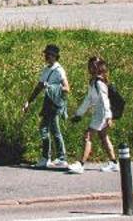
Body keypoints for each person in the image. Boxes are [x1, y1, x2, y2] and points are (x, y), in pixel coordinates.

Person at [21, 42, 83, 172]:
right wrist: (28, 101)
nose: (45, 57)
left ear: (54, 56)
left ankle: (61, 157)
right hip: (47, 102)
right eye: (45, 54)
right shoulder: (46, 70)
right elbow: (38, 87)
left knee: (54, 130)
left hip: (55, 104)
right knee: (44, 129)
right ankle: (45, 158)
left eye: (48, 55)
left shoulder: (59, 70)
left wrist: (51, 87)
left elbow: (67, 88)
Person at [76, 55, 117, 171]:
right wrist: (79, 114)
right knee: (103, 136)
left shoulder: (98, 82)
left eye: (90, 66)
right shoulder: (94, 82)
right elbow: (88, 100)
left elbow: (105, 100)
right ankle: (113, 162)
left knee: (88, 136)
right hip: (100, 113)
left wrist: (108, 116)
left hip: (102, 113)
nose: (88, 68)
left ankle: (81, 164)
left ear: (95, 67)